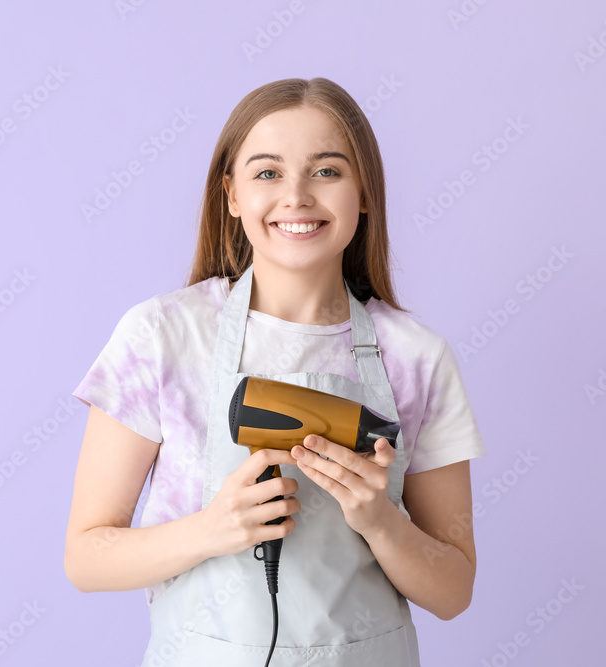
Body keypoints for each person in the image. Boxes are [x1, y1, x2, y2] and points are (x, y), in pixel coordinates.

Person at [64, 77, 486, 666]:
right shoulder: (163, 336)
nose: (297, 196)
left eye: (328, 171)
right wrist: (212, 530)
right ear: (231, 194)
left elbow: (454, 591)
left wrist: (380, 521)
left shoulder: (417, 357)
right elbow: (86, 558)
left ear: (364, 193)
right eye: (267, 173)